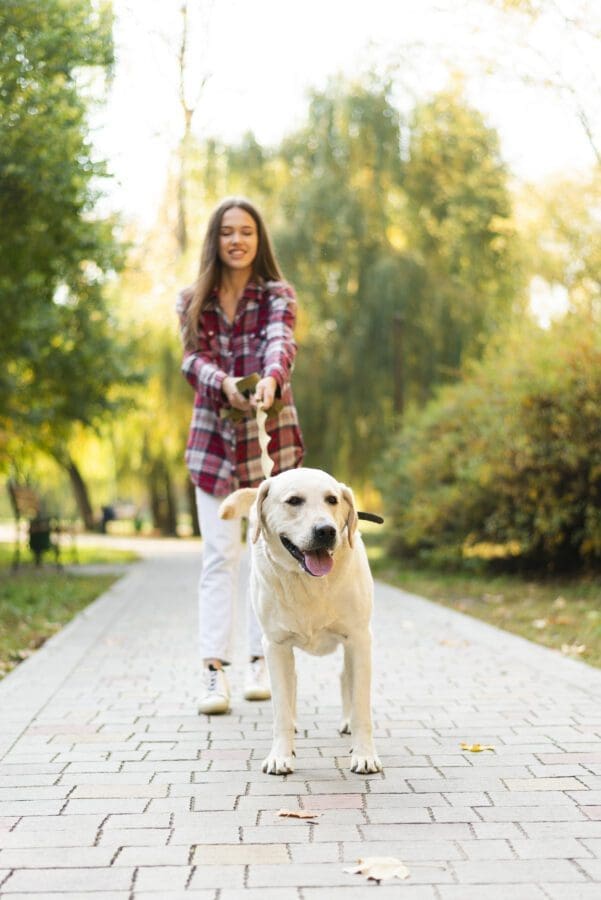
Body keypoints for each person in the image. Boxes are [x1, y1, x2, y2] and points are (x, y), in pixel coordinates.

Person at [176, 196, 304, 715]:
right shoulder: (192, 300)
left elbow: (281, 342)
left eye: (246, 231)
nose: (237, 239)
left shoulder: (278, 294)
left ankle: (261, 661)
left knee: (268, 555)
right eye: (227, 231)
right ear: (216, 238)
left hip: (269, 440)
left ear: (258, 239)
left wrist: (272, 380)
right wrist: (223, 383)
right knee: (219, 555)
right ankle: (213, 672)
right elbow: (191, 359)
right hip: (212, 446)